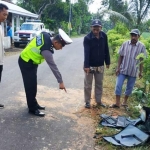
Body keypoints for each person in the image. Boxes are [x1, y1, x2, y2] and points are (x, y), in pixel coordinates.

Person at [18, 29, 72, 117]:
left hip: (31, 62)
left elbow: (32, 41)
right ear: (55, 42)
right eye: (61, 46)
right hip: (26, 61)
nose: (61, 48)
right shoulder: (46, 49)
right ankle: (32, 108)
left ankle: (34, 104)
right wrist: (60, 81)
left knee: (33, 84)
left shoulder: (45, 34)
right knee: (30, 86)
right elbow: (53, 67)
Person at [110, 29, 146, 108]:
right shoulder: (125, 44)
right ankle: (117, 103)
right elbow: (121, 56)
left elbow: (142, 60)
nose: (133, 37)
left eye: (135, 36)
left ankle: (124, 102)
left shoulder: (142, 46)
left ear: (138, 36)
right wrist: (118, 68)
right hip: (123, 70)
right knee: (118, 86)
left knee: (129, 88)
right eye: (132, 35)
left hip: (133, 71)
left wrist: (140, 71)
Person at [83, 19, 110, 108]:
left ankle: (98, 101)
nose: (95, 31)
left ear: (101, 28)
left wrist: (107, 61)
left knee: (99, 84)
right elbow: (86, 53)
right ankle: (87, 102)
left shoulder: (104, 36)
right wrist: (86, 66)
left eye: (97, 29)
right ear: (91, 28)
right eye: (94, 29)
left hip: (100, 65)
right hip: (89, 65)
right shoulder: (87, 38)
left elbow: (106, 49)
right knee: (88, 85)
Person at [0, 3, 9, 108]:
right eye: (4, 14)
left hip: (0, 60)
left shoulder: (1, 26)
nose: (5, 17)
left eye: (6, 15)